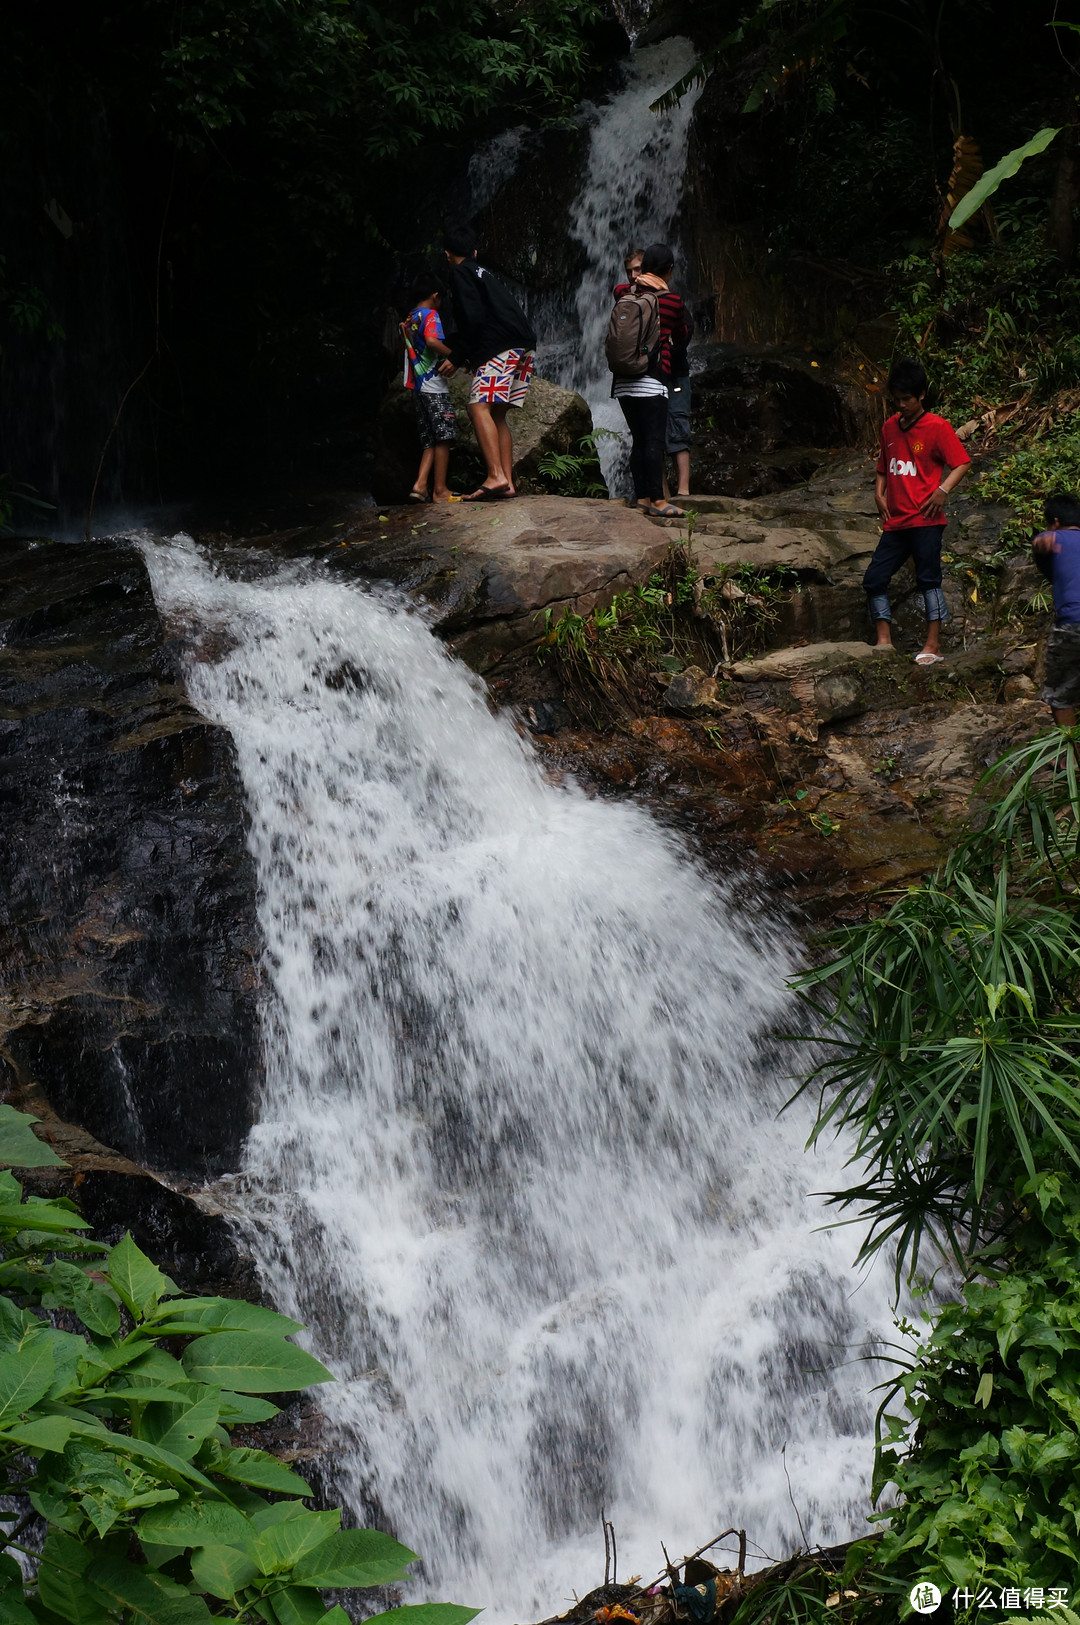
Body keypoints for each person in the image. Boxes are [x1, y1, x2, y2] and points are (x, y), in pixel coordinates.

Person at [864, 358, 971, 664]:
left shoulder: (938, 427)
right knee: (874, 578)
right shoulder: (889, 428)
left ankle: (932, 645)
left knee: (929, 580)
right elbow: (884, 466)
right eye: (896, 399)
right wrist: (878, 493)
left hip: (926, 520)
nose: (901, 405)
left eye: (906, 399)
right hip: (896, 522)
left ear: (921, 395)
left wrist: (942, 491)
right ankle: (884, 641)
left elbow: (962, 462)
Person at [442, 225, 537, 501]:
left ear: (447, 254)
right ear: (473, 252)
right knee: (497, 413)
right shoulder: (484, 272)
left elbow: (472, 319)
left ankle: (495, 475)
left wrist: (457, 356)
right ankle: (507, 481)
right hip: (523, 343)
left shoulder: (460, 273)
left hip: (501, 345)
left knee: (477, 406)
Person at [610, 242, 691, 519]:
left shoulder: (624, 292)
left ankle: (642, 498)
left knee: (639, 441)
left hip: (622, 381)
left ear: (641, 270)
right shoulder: (671, 301)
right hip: (653, 380)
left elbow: (620, 290)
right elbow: (681, 334)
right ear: (668, 271)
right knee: (654, 441)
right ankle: (658, 500)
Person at [400, 275, 459, 504]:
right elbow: (432, 341)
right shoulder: (431, 315)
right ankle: (440, 490)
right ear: (435, 296)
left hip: (418, 386)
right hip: (434, 387)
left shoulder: (410, 318)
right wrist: (455, 357)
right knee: (444, 436)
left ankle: (420, 485)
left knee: (430, 440)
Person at [1033, 492, 1080, 726]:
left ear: (1056, 522)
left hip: (1073, 624)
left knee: (1060, 694)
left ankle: (1070, 760)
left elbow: (1041, 543)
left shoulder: (1053, 536)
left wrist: (1041, 542)